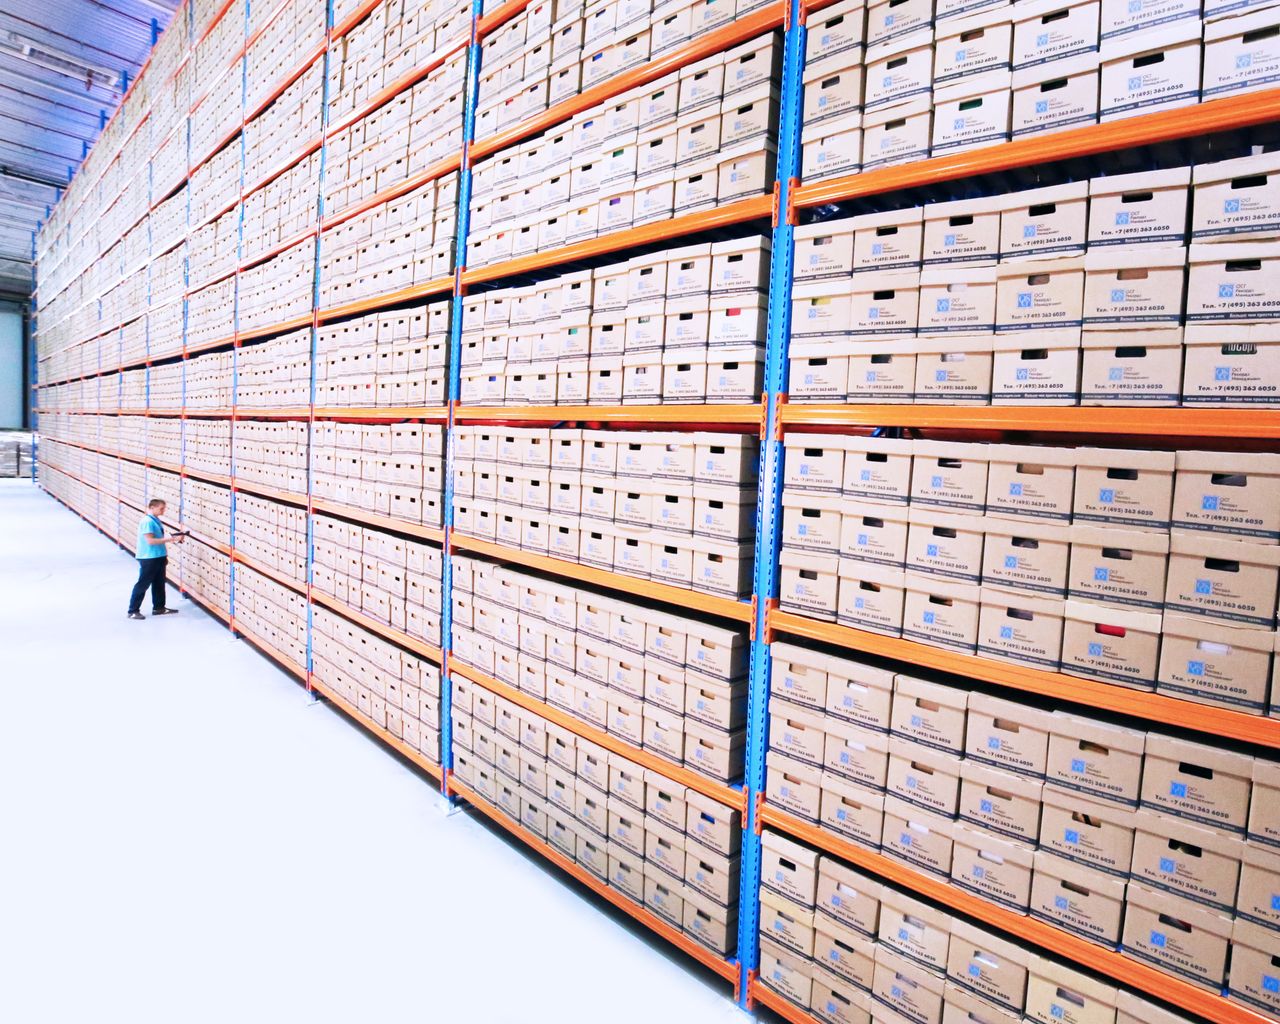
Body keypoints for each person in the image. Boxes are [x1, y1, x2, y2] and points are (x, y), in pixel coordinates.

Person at [127, 499, 185, 620]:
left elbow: (159, 537)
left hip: (158, 556)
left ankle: (159, 608)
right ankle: (133, 610)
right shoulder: (147, 521)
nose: (163, 511)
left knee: (159, 583)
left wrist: (174, 537)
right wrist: (170, 539)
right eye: (161, 508)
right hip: (149, 557)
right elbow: (150, 541)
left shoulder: (155, 520)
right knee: (143, 584)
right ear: (152, 507)